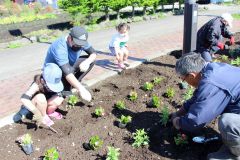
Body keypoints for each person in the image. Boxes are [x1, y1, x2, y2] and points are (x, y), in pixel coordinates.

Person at [171, 53, 240, 159]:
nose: (184, 82)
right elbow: (199, 98)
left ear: (191, 75)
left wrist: (178, 122)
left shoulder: (211, 82)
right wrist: (179, 113)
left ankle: (235, 155)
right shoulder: (212, 70)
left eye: (183, 79)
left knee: (227, 122)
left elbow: (197, 120)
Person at [44, 26, 97, 102]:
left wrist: (87, 62)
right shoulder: (60, 46)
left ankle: (74, 84)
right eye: (77, 44)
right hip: (54, 71)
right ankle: (65, 88)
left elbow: (93, 53)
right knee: (68, 73)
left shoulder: (81, 41)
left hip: (69, 65)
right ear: (69, 38)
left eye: (81, 44)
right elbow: (67, 72)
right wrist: (82, 89)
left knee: (91, 61)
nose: (79, 46)